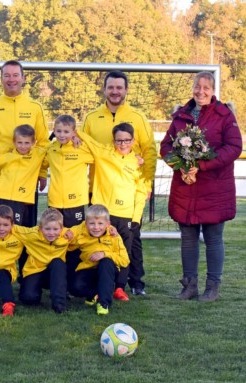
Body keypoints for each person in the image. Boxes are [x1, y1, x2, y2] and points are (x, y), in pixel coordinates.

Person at [160, 71, 241, 302]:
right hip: (185, 188)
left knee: (213, 239)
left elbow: (234, 147)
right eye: (197, 86)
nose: (201, 91)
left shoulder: (224, 115)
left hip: (214, 189)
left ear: (213, 90)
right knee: (188, 238)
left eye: (206, 87)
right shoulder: (181, 116)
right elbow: (166, 146)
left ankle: (212, 287)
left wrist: (202, 166)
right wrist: (181, 167)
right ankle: (190, 285)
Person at [80, 70, 157, 298]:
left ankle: (135, 281)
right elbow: (84, 148)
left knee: (132, 239)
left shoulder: (138, 117)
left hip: (129, 191)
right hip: (100, 189)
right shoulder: (92, 117)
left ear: (126, 90)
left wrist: (147, 181)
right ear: (104, 89)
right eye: (111, 87)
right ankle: (100, 281)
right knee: (98, 235)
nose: (115, 91)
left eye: (119, 87)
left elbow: (150, 151)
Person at [78, 124, 147, 302]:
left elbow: (141, 191)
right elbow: (89, 140)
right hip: (103, 215)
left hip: (126, 216)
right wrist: (74, 133)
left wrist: (136, 217)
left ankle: (119, 288)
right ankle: (95, 285)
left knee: (124, 252)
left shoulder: (137, 162)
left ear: (133, 141)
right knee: (98, 250)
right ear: (113, 140)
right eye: (119, 140)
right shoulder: (104, 153)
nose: (123, 143)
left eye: (126, 140)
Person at [0, 60, 50, 225]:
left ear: (23, 78)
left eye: (16, 75)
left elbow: (43, 142)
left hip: (27, 179)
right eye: (7, 75)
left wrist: (42, 172)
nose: (11, 79)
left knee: (24, 231)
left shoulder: (35, 107)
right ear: (1, 79)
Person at [43, 114, 91, 288]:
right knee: (54, 240)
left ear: (73, 132)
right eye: (58, 131)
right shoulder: (51, 149)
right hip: (55, 202)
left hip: (75, 203)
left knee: (72, 241)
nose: (62, 134)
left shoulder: (81, 148)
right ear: (54, 131)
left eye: (66, 131)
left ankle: (73, 281)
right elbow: (41, 164)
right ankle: (54, 280)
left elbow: (99, 157)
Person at [68, 204, 130, 315]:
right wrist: (67, 234)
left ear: (108, 224)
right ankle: (92, 294)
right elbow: (68, 235)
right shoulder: (81, 233)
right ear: (86, 224)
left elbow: (125, 261)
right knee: (74, 288)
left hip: (108, 271)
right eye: (92, 223)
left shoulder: (114, 236)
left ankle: (103, 303)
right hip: (89, 269)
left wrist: (104, 254)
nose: (96, 227)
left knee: (105, 262)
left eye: (100, 223)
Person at [0, 124, 48, 227]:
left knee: (14, 233)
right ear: (14, 142)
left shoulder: (38, 154)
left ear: (33, 142)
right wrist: (4, 149)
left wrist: (74, 138)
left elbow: (57, 150)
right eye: (19, 143)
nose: (23, 146)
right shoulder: (8, 156)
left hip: (19, 200)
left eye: (27, 143)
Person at [14, 208, 73, 313]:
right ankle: (33, 290)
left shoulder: (67, 235)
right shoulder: (31, 234)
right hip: (35, 270)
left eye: (55, 229)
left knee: (58, 262)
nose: (51, 233)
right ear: (41, 228)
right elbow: (10, 227)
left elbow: (83, 230)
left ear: (61, 228)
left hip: (54, 273)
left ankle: (59, 305)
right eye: (47, 229)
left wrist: (110, 229)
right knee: (29, 299)